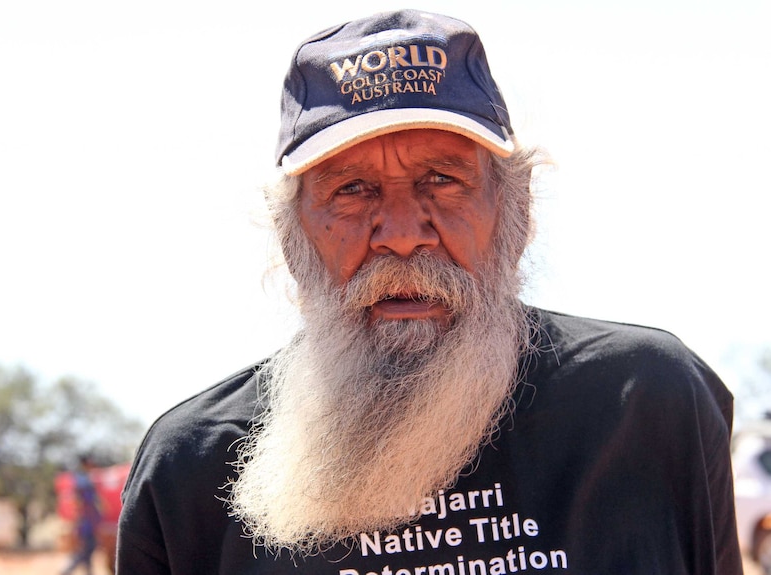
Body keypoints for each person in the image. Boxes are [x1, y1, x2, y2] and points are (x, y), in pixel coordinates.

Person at [116, 9, 743, 574]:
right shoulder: (194, 470)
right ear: (292, 236)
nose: (402, 234)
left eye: (442, 180)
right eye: (351, 189)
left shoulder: (646, 402)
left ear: (515, 213)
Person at [62, 454, 101, 575]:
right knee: (87, 548)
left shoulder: (85, 478)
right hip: (86, 520)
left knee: (88, 549)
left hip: (88, 519)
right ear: (85, 464)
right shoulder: (83, 480)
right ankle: (67, 571)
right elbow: (82, 501)